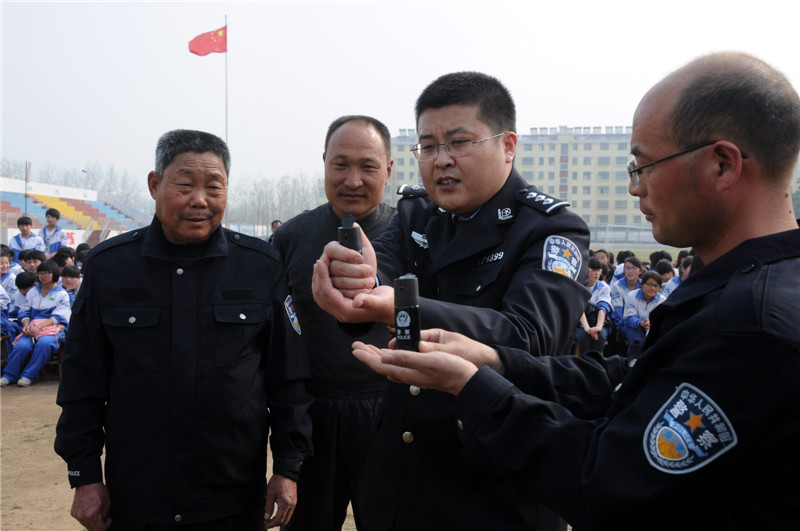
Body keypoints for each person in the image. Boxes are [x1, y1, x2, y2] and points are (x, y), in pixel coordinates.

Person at [352, 51, 800, 529]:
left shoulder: (750, 325)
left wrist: (472, 384)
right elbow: (624, 380)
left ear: (722, 165)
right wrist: (496, 363)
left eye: (643, 165)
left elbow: (608, 479)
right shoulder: (737, 292)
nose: (635, 187)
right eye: (429, 146)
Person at [313, 72, 590, 530]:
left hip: (492, 485)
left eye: (459, 143)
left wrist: (397, 306)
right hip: (402, 476)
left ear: (508, 145)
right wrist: (354, 277)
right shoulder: (417, 212)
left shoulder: (550, 229)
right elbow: (379, 269)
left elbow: (528, 336)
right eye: (428, 146)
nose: (441, 160)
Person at [54, 129, 312, 530]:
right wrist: (84, 474)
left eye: (214, 186)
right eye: (185, 184)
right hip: (137, 495)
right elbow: (81, 381)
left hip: (233, 494)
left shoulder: (260, 266)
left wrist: (288, 467)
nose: (200, 200)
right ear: (155, 185)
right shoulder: (109, 268)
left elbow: (288, 379)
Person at [273, 115, 396, 531]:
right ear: (324, 163)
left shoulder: (411, 235)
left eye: (368, 166)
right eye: (340, 165)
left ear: (390, 170)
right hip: (313, 412)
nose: (353, 180)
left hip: (391, 410)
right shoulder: (291, 237)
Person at [0, 260, 70, 387]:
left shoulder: (61, 293)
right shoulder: (33, 292)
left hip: (52, 327)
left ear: (54, 274)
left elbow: (60, 316)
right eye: (40, 273)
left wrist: (40, 327)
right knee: (22, 346)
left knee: (44, 344)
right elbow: (25, 311)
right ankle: (9, 375)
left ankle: (28, 375)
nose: (42, 276)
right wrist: (26, 325)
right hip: (32, 326)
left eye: (46, 273)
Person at [574, 257, 612, 355]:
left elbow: (603, 308)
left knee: (601, 336)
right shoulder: (578, 285)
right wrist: (587, 328)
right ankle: (583, 363)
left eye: (599, 270)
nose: (597, 273)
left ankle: (596, 363)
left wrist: (598, 327)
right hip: (579, 324)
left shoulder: (604, 287)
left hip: (597, 321)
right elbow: (579, 308)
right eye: (593, 270)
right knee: (583, 336)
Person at [620, 270, 664, 347]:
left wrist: (651, 324)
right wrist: (641, 323)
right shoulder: (631, 296)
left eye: (656, 285)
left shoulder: (662, 300)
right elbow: (628, 317)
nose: (652, 288)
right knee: (633, 331)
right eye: (649, 284)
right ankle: (636, 356)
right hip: (635, 327)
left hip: (652, 328)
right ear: (642, 284)